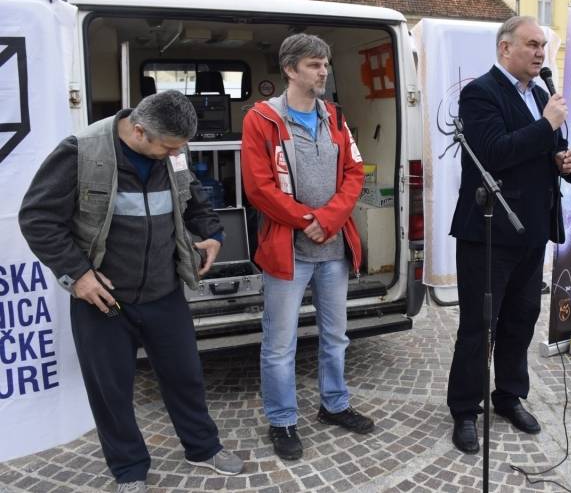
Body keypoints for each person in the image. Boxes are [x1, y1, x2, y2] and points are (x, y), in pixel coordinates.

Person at [18, 90, 244, 493]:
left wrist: (211, 233)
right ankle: (129, 469)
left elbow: (193, 196)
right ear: (139, 131)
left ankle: (202, 448)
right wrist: (79, 274)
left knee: (185, 377)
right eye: (169, 147)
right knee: (111, 390)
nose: (176, 154)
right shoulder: (81, 153)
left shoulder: (171, 152)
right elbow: (37, 218)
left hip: (164, 291)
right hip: (103, 300)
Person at [447, 16, 571, 454]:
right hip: (488, 229)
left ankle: (509, 396)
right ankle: (465, 409)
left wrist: (563, 160)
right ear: (506, 49)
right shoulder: (480, 92)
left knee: (521, 320)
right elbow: (494, 154)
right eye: (532, 44)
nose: (541, 53)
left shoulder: (539, 93)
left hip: (532, 229)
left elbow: (544, 149)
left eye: (543, 46)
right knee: (479, 326)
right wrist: (546, 126)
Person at [241, 33, 373, 462]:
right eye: (315, 64)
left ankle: (334, 405)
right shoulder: (261, 119)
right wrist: (306, 221)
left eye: (325, 63)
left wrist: (330, 220)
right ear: (291, 69)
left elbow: (355, 172)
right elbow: (258, 187)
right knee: (280, 343)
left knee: (335, 336)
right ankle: (281, 420)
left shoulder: (334, 116)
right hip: (288, 251)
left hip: (332, 250)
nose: (324, 71)